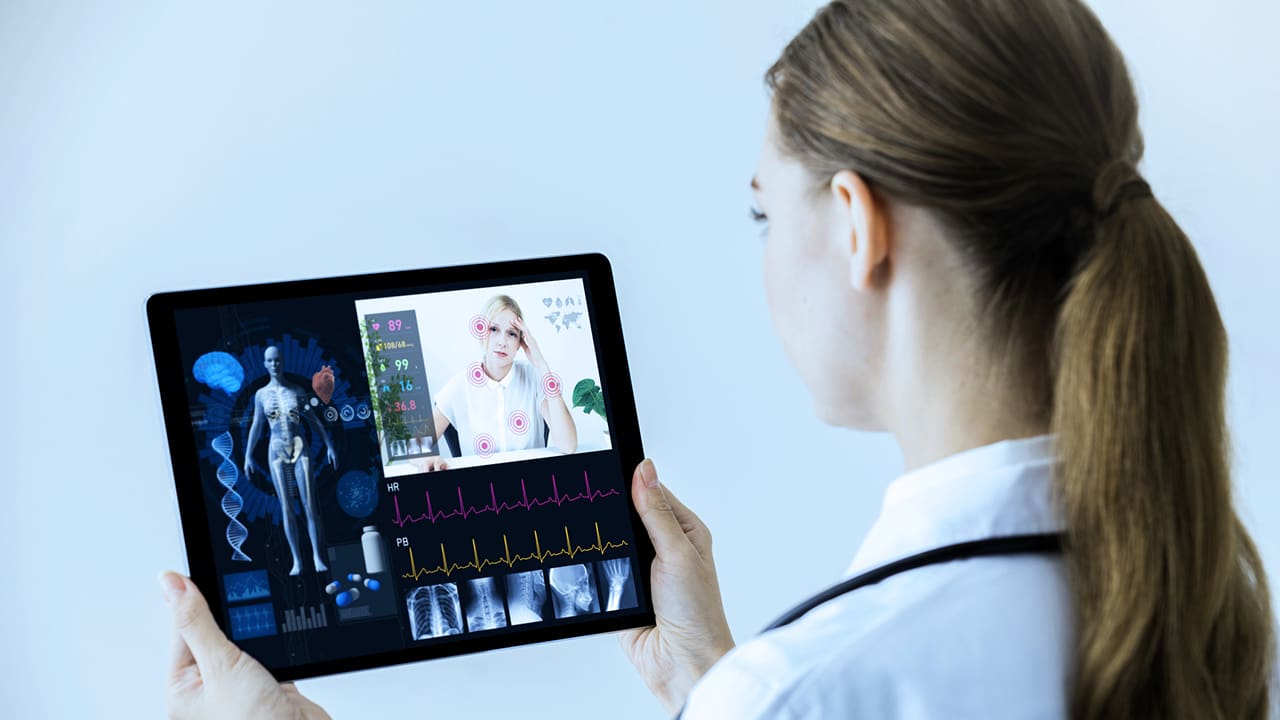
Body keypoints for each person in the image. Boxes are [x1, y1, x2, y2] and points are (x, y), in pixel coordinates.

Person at [159, 1, 1276, 718]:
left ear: (854, 225)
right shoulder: (1208, 615)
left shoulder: (810, 689)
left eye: (760, 215)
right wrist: (712, 682)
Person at [416, 294, 578, 471]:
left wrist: (542, 365)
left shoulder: (534, 378)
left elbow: (568, 446)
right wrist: (428, 458)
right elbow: (414, 446)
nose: (502, 342)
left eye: (511, 334)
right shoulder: (459, 385)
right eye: (494, 329)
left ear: (520, 343)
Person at [242, 345, 337, 576]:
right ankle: (297, 560)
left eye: (277, 360)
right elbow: (257, 425)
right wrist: (248, 454)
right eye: (270, 361)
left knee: (309, 505)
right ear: (265, 364)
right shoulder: (261, 395)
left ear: (282, 362)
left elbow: (313, 420)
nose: (274, 365)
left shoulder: (296, 391)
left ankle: (316, 556)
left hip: (299, 446)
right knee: (286, 507)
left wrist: (329, 445)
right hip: (276, 450)